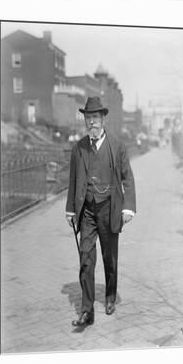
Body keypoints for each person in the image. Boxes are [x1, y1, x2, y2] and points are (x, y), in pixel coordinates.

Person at [65, 96, 136, 327]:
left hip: (109, 208)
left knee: (109, 258)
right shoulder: (80, 148)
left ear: (103, 119)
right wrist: (70, 210)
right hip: (86, 211)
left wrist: (128, 208)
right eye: (88, 118)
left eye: (95, 117)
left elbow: (128, 178)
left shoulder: (117, 146)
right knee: (86, 258)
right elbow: (74, 180)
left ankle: (109, 296)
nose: (91, 122)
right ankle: (87, 311)